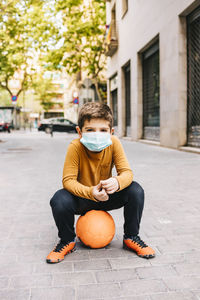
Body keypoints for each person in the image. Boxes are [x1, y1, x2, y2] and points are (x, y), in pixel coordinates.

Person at [46, 102, 155, 264]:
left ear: (111, 132)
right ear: (79, 132)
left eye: (103, 130)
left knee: (135, 190)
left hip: (107, 197)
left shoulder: (114, 143)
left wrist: (117, 183)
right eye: (90, 130)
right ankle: (67, 241)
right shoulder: (75, 147)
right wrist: (91, 192)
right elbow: (68, 181)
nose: (97, 134)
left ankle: (131, 237)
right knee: (59, 199)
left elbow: (127, 173)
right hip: (83, 198)